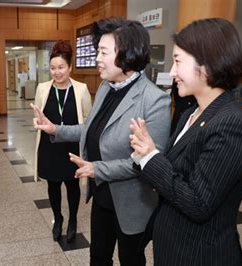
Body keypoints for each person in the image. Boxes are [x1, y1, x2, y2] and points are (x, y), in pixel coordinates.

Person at [32, 18, 171, 265]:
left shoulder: (153, 100)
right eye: (97, 51)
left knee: (131, 258)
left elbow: (150, 162)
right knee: (98, 256)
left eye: (103, 52)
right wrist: (55, 129)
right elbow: (91, 129)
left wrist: (98, 168)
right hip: (102, 194)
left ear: (126, 54)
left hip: (131, 203)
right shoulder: (108, 87)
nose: (97, 58)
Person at [129, 18, 242, 265]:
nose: (173, 72)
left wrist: (150, 157)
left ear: (207, 64)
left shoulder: (231, 125)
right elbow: (175, 174)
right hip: (174, 246)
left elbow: (198, 203)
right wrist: (143, 154)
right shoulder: (191, 113)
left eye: (178, 61)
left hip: (199, 254)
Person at [33, 41, 92, 243]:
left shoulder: (81, 89)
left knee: (72, 186)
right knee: (53, 186)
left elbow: (88, 121)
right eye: (53, 68)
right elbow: (39, 114)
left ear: (69, 67)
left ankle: (73, 220)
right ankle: (58, 219)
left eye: (61, 67)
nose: (56, 72)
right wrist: (37, 121)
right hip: (49, 147)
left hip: (71, 148)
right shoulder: (42, 88)